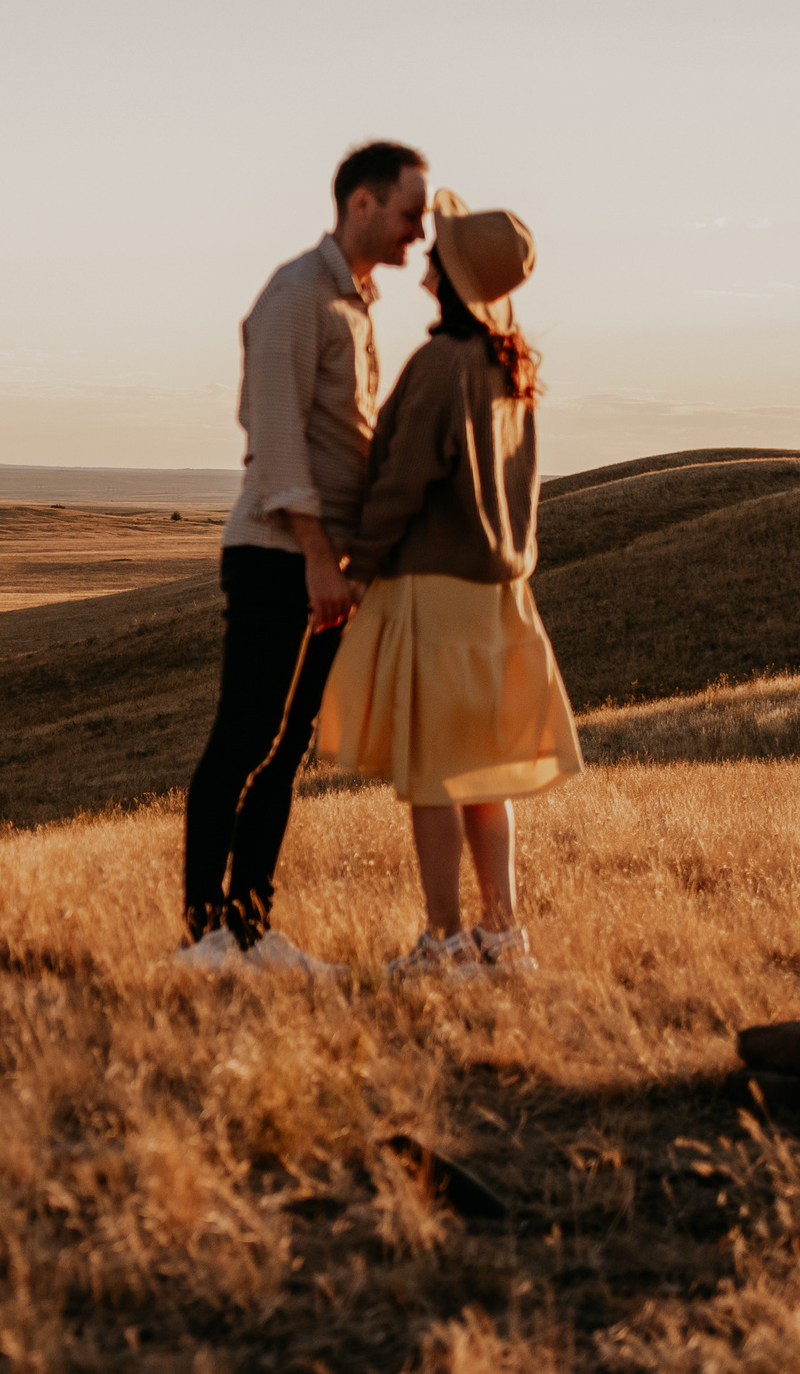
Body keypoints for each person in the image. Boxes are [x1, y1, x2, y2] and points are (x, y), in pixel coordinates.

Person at [177, 141, 428, 975]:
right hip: (278, 555)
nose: (418, 233)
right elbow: (277, 438)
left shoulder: (356, 304)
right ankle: (204, 933)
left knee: (286, 750)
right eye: (408, 213)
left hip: (326, 565)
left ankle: (252, 927)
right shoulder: (296, 295)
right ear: (362, 204)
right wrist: (320, 556)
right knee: (243, 739)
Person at [315, 191, 580, 976]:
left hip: (432, 588)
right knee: (481, 775)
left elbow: (399, 481)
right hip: (499, 600)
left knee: (430, 775)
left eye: (443, 251)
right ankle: (502, 935)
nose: (428, 253)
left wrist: (355, 565)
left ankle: (443, 940)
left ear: (456, 280)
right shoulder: (512, 372)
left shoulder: (441, 364)